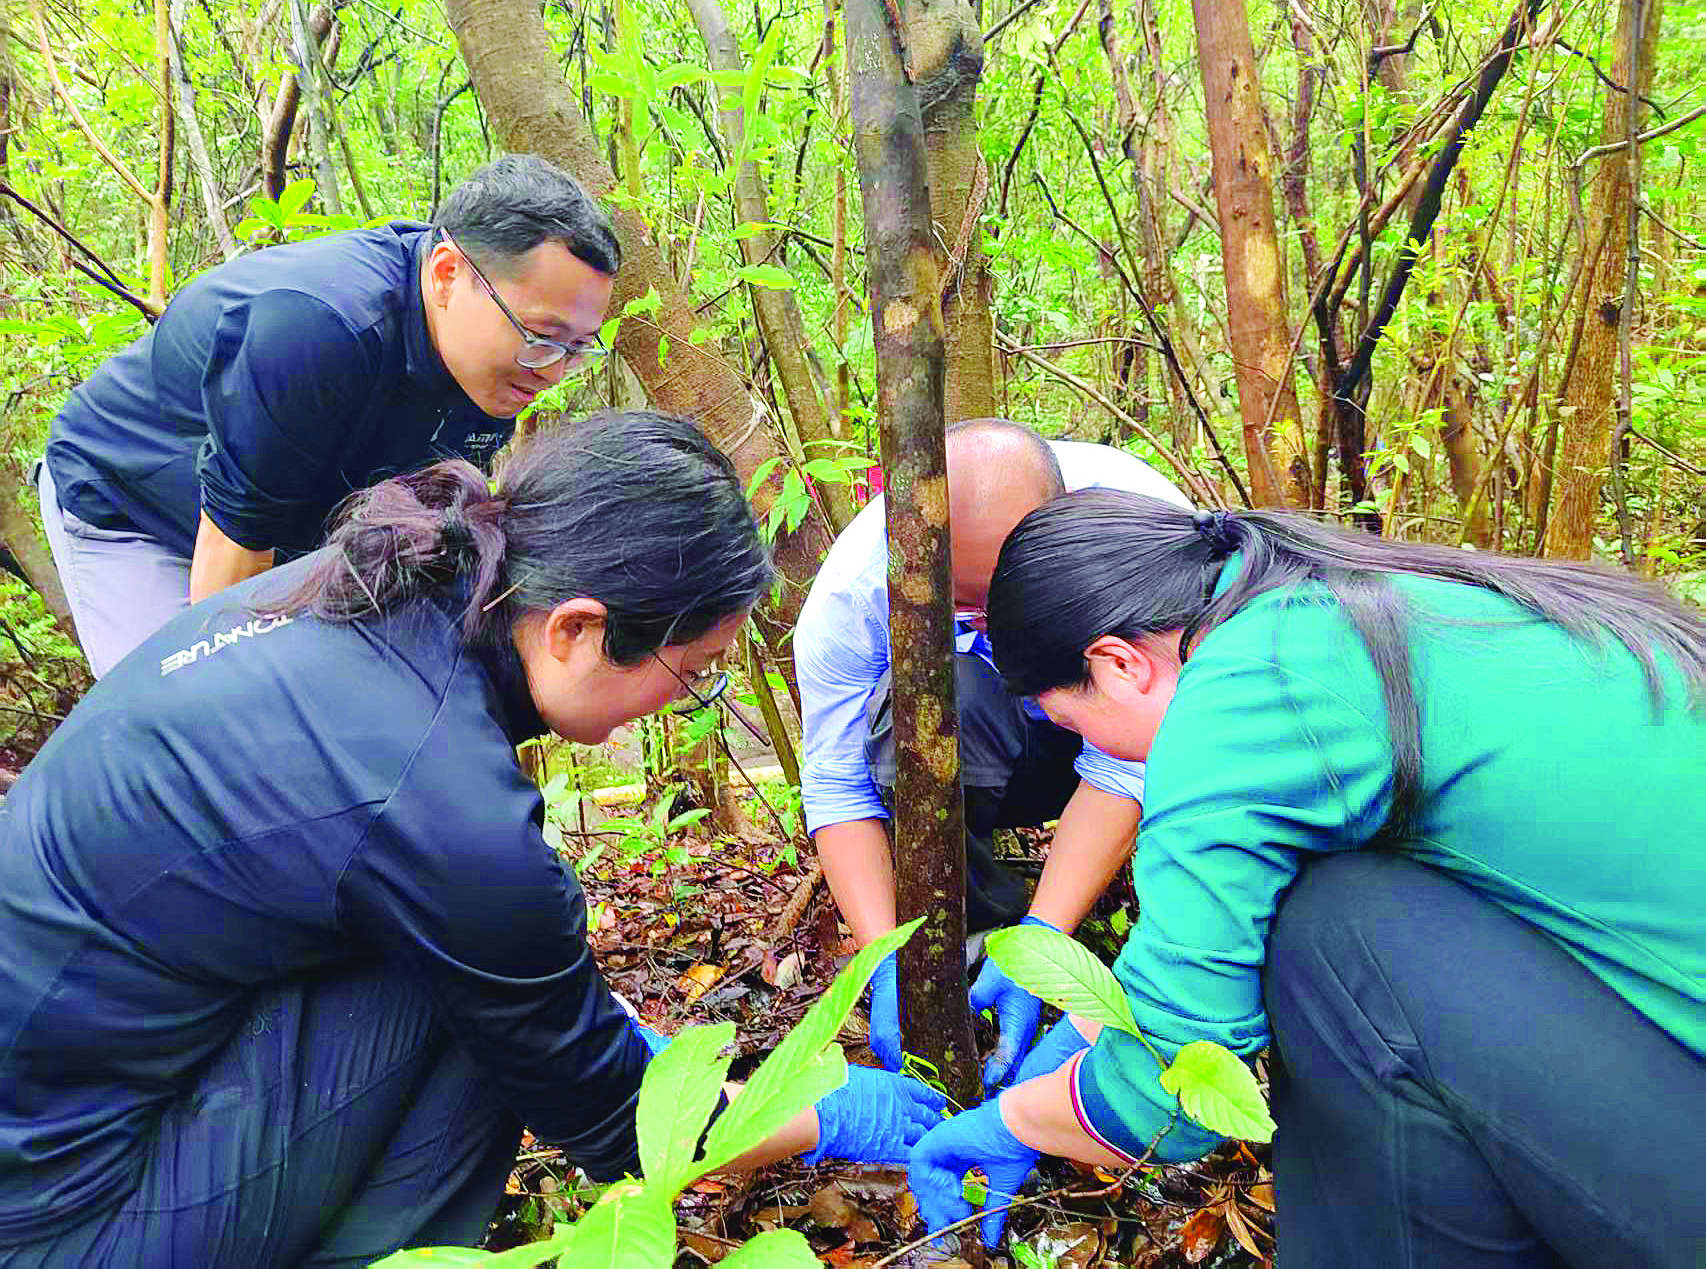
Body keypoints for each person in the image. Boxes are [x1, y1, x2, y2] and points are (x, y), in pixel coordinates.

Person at [0, 414, 943, 1267]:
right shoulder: (439, 794)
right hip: (64, 1215)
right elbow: (621, 1124)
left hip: (64, 1103)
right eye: (692, 668)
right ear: (577, 628)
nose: (684, 697)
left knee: (497, 976)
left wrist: (587, 1020)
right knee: (488, 1019)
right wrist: (822, 1114)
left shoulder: (371, 586)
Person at [909, 490, 1706, 1266]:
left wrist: (1010, 1120)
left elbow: (1172, 1097)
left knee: (1331, 929)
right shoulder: (1342, 603)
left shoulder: (1244, 695)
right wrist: (1097, 1021)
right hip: (1660, 1040)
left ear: (1118, 664)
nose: (1099, 753)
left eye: (1072, 723)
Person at [36, 153, 619, 677]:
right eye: (541, 336)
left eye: (578, 347)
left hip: (291, 526)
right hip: (134, 510)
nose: (554, 370)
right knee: (186, 716)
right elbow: (233, 563)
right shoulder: (318, 330)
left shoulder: (494, 368)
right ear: (447, 274)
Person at [795, 420, 1190, 1087]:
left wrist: (1043, 944)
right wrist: (885, 958)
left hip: (1118, 735)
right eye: (963, 607)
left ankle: (1063, 945)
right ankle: (972, 948)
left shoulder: (1140, 531)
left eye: (1002, 602)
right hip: (992, 748)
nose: (989, 625)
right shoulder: (857, 587)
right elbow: (838, 785)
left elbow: (1133, 758)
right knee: (932, 700)